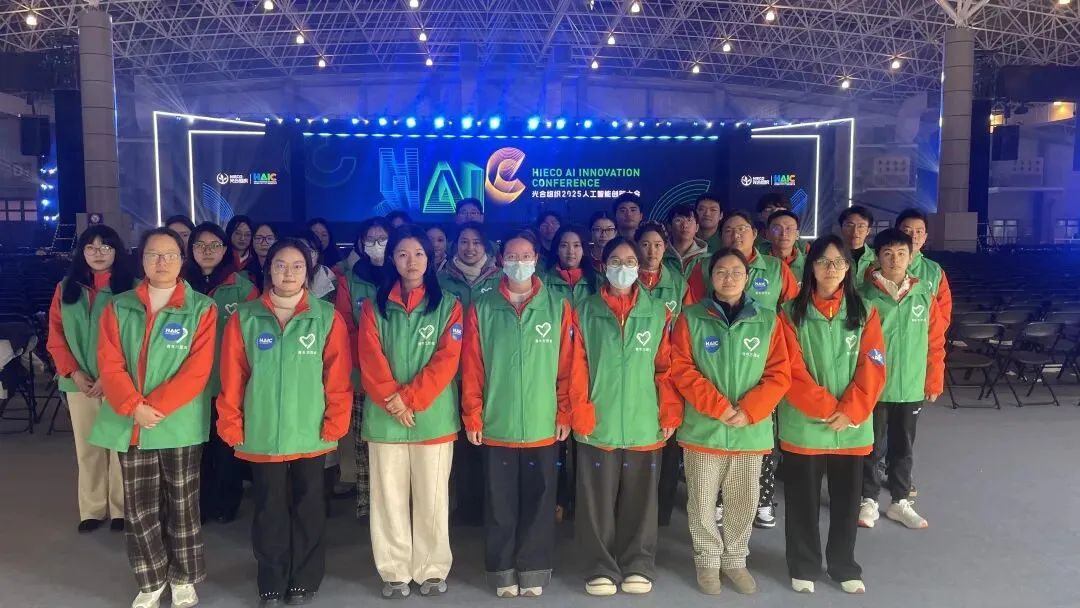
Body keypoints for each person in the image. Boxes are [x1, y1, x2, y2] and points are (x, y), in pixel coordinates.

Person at [217, 238, 353, 607]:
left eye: (297, 266)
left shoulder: (326, 317)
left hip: (311, 429)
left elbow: (337, 378)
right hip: (262, 430)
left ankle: (305, 579)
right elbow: (233, 376)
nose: (288, 273)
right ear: (269, 270)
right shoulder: (245, 317)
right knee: (269, 509)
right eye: (280, 265)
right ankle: (272, 581)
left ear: (308, 272)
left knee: (310, 507)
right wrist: (231, 421)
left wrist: (335, 421)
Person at [91, 227, 217, 608]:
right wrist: (134, 406)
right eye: (153, 255)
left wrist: (153, 407)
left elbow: (198, 370)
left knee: (183, 503)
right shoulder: (119, 307)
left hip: (177, 423)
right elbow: (109, 363)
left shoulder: (202, 309)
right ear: (142, 259)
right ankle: (150, 579)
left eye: (170, 255)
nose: (161, 262)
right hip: (131, 423)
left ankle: (183, 578)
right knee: (140, 506)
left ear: (182, 260)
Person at [670, 247, 790, 596]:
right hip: (705, 428)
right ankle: (708, 560)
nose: (729, 278)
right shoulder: (691, 317)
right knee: (702, 500)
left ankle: (736, 559)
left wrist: (749, 410)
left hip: (749, 430)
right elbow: (681, 368)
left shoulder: (768, 320)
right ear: (711, 277)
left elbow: (779, 373)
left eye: (736, 271)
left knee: (744, 500)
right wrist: (719, 408)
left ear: (747, 277)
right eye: (721, 271)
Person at [461, 232, 575, 598]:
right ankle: (501, 571)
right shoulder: (483, 307)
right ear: (501, 261)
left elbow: (567, 366)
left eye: (526, 256)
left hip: (543, 423)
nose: (519, 262)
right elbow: (473, 367)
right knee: (500, 504)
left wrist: (564, 411)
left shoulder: (557, 306)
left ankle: (534, 569)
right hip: (498, 423)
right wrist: (473, 414)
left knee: (540, 501)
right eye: (512, 256)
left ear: (536, 259)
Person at [356, 226, 463, 599]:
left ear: (429, 259)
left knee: (433, 498)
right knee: (388, 498)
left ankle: (432, 569)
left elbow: (447, 360)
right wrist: (393, 399)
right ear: (392, 259)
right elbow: (369, 358)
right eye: (402, 254)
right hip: (386, 418)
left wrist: (411, 399)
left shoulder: (448, 305)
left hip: (431, 418)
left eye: (419, 254)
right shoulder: (374, 307)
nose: (411, 261)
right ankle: (394, 570)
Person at [569, 237, 680, 597]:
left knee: (642, 500)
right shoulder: (584, 310)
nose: (623, 268)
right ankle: (599, 565)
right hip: (596, 420)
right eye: (615, 261)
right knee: (595, 501)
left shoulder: (657, 311)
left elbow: (665, 367)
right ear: (603, 265)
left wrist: (668, 409)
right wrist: (580, 409)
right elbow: (575, 366)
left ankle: (638, 563)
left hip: (643, 420)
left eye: (630, 261)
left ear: (639, 266)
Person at [778, 235, 886, 595]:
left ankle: (843, 565)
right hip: (805, 424)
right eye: (824, 261)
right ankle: (803, 564)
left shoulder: (865, 312)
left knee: (846, 502)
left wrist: (850, 410)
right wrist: (828, 409)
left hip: (851, 426)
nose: (831, 269)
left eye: (839, 262)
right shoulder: (790, 312)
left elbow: (874, 365)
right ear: (811, 267)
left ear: (848, 268)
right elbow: (789, 370)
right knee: (802, 501)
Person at [47, 225, 135, 534]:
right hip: (79, 382)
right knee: (87, 447)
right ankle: (92, 509)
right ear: (81, 252)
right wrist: (73, 371)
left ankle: (121, 509)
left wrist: (110, 377)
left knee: (119, 446)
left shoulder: (132, 288)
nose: (98, 253)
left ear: (117, 251)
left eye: (105, 247)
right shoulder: (66, 289)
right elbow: (56, 335)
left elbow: (135, 339)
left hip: (120, 382)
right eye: (91, 247)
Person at [857, 229, 945, 531]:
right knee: (870, 446)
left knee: (903, 447)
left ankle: (900, 501)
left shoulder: (924, 295)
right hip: (874, 388)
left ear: (911, 257)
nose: (894, 260)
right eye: (888, 253)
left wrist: (933, 379)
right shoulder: (864, 296)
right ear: (877, 257)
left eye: (901, 254)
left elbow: (935, 342)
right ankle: (868, 499)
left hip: (910, 386)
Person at [182, 223, 259, 525]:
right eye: (200, 245)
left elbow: (254, 337)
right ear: (191, 249)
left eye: (215, 245)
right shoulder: (179, 286)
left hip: (227, 382)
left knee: (226, 447)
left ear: (226, 249)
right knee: (194, 449)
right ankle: (197, 504)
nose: (207, 251)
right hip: (186, 384)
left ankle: (226, 503)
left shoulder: (243, 288)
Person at [333, 217, 391, 520]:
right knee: (364, 442)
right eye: (371, 239)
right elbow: (345, 326)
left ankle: (395, 508)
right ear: (360, 244)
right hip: (362, 377)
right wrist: (373, 360)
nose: (377, 244)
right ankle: (368, 506)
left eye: (383, 238)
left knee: (394, 444)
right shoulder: (350, 280)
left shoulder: (403, 275)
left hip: (400, 376)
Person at [634, 221, 690, 528]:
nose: (651, 251)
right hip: (635, 367)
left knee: (667, 441)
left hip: (670, 368)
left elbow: (688, 325)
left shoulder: (677, 283)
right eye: (645, 244)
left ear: (665, 247)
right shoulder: (624, 278)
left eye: (657, 245)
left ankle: (662, 511)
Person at [687, 211, 799, 312]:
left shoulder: (777, 267)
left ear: (754, 233)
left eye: (742, 229)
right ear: (720, 237)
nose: (736, 235)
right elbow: (691, 310)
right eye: (728, 231)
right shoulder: (704, 266)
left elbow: (794, 310)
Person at [896, 208, 952, 324]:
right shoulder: (879, 266)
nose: (913, 236)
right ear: (896, 233)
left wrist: (930, 335)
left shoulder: (935, 271)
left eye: (919, 232)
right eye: (907, 231)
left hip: (922, 335)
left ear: (925, 237)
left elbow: (943, 312)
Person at [438, 222, 501, 312]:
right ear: (456, 244)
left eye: (476, 242)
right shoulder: (441, 278)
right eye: (464, 242)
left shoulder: (501, 277)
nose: (470, 248)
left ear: (485, 246)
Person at [543, 226, 598, 311]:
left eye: (576, 245)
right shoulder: (543, 281)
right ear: (557, 250)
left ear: (583, 250)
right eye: (564, 245)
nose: (570, 251)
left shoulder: (598, 281)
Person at [662, 204, 710, 279]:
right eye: (679, 220)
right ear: (669, 226)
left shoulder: (708, 259)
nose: (685, 225)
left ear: (697, 228)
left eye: (689, 220)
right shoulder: (659, 257)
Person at [762, 210, 807, 287]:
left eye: (789, 228)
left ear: (797, 235)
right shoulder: (757, 262)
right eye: (777, 229)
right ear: (767, 234)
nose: (783, 233)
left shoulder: (809, 264)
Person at [839, 206, 876, 288]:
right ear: (841, 228)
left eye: (861, 226)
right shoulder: (832, 257)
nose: (855, 231)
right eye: (849, 225)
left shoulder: (878, 258)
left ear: (868, 231)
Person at [249, 223, 280, 291]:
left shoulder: (281, 269)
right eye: (259, 238)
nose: (264, 243)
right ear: (253, 241)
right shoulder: (246, 269)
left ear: (276, 242)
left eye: (269, 238)